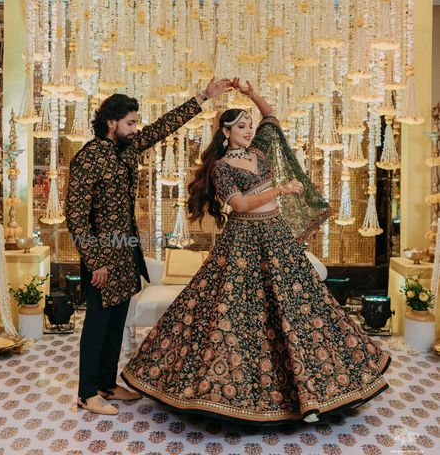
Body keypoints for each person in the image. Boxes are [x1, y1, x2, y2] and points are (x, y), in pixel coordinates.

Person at [121, 79, 391, 424]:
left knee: (299, 308)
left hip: (276, 238)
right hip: (243, 241)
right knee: (232, 313)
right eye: (241, 126)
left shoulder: (260, 154)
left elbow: (271, 117)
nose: (249, 130)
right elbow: (241, 204)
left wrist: (251, 94)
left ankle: (315, 390)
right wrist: (278, 189)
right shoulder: (221, 168)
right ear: (225, 133)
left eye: (249, 125)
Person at [65, 78, 232, 415]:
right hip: (102, 258)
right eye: (129, 122)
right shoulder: (89, 158)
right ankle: (87, 392)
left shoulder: (126, 148)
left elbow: (161, 127)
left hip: (126, 251)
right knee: (97, 323)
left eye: (135, 121)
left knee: (116, 323)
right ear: (111, 122)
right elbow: (76, 215)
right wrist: (95, 260)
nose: (135, 127)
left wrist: (202, 97)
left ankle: (106, 384)